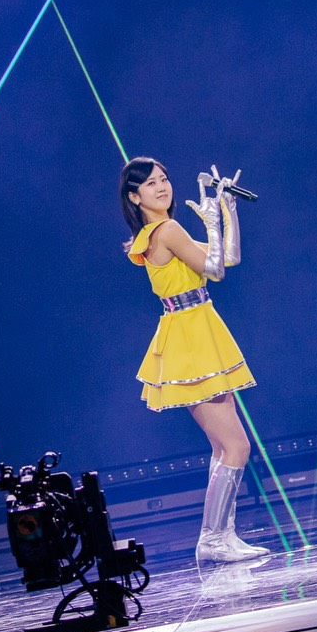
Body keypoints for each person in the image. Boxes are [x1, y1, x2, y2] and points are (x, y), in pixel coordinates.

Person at [120, 158, 268, 563]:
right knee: (236, 446)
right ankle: (213, 539)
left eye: (164, 179)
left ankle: (221, 535)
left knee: (224, 448)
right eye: (151, 184)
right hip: (191, 337)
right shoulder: (166, 230)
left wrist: (227, 210)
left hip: (195, 330)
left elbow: (228, 258)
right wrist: (212, 222)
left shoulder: (161, 231)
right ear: (135, 197)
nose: (162, 187)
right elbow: (216, 271)